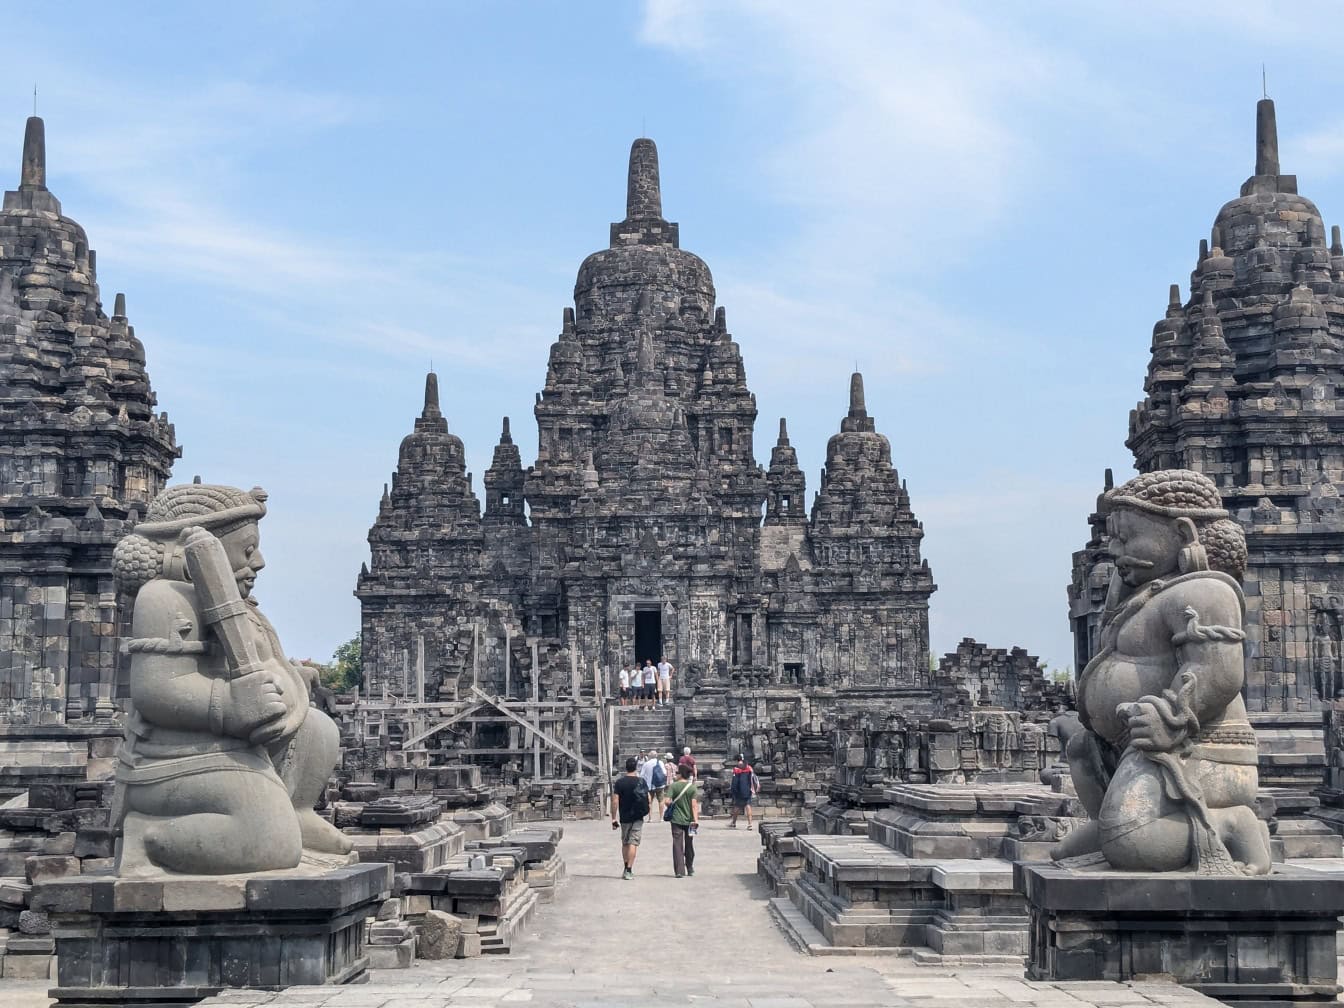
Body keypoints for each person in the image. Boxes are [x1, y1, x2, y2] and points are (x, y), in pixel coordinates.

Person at [611, 757, 649, 880]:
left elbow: (615, 801)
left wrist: (613, 818)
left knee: (625, 842)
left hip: (625, 816)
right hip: (638, 816)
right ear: (636, 767)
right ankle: (629, 870)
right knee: (634, 842)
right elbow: (648, 798)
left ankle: (626, 865)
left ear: (625, 768)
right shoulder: (641, 782)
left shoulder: (620, 783)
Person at [667, 763, 700, 878]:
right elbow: (694, 805)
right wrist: (695, 820)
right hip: (691, 820)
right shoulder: (692, 788)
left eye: (677, 773)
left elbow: (667, 801)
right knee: (689, 844)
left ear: (681, 774)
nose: (676, 775)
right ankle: (690, 867)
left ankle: (679, 871)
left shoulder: (673, 786)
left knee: (677, 844)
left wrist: (671, 804)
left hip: (676, 819)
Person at [728, 753, 759, 829]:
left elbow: (735, 782)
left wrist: (733, 790)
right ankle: (750, 824)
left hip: (739, 790)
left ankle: (734, 822)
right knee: (748, 806)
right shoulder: (749, 768)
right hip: (748, 789)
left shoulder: (736, 769)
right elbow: (753, 778)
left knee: (737, 806)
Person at [640, 747, 666, 820]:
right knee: (661, 800)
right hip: (659, 784)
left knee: (649, 801)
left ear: (649, 756)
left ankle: (650, 818)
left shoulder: (646, 764)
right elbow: (664, 773)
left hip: (649, 785)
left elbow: (642, 775)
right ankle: (661, 817)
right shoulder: (660, 762)